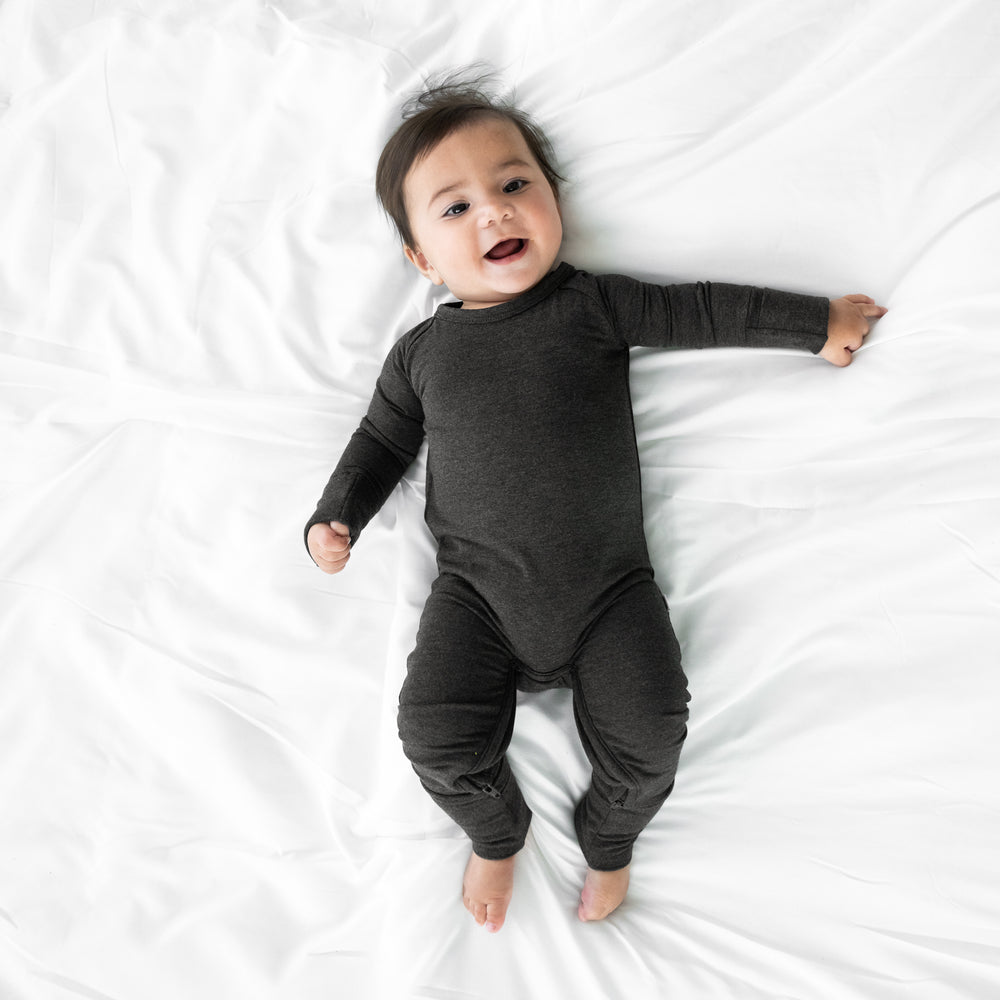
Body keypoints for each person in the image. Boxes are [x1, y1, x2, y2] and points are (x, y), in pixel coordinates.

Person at [304, 76, 886, 933]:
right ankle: (497, 833)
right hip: (478, 600)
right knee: (433, 736)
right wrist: (337, 513)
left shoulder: (591, 304)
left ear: (552, 198)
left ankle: (610, 840)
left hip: (610, 592)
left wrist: (814, 322)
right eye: (454, 209)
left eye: (513, 186)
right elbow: (383, 441)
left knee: (651, 735)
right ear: (421, 258)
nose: (495, 214)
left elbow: (701, 311)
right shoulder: (421, 356)